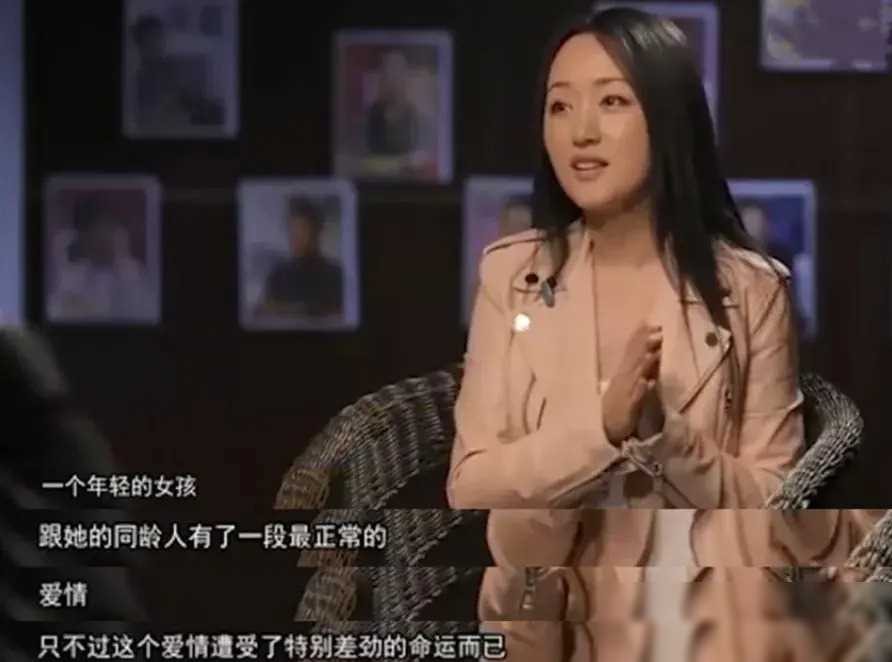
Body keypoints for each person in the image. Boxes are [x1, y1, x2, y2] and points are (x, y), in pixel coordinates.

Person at [446, 7, 868, 661]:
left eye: (612, 101)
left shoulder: (751, 291)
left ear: (669, 119)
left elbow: (771, 505)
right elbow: (471, 482)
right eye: (560, 107)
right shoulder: (512, 274)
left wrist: (664, 439)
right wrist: (600, 432)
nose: (581, 132)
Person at [47, 195, 154, 322]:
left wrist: (123, 265)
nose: (109, 238)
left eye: (112, 228)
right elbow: (58, 311)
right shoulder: (73, 276)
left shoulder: (134, 273)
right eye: (100, 230)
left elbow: (145, 313)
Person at [257, 197, 344, 318]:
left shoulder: (336, 275)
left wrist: (293, 309)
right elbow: (264, 312)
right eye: (292, 229)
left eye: (302, 228)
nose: (295, 236)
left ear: (318, 231)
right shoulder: (277, 275)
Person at [364, 50, 421, 156]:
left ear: (405, 76)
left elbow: (417, 153)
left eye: (397, 71)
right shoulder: (372, 113)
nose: (393, 78)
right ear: (382, 77)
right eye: (388, 71)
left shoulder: (415, 116)